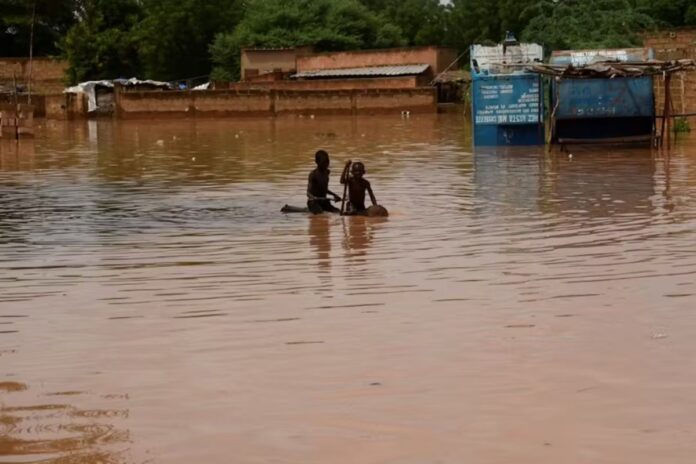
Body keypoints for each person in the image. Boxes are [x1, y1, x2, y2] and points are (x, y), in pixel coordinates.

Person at [307, 150, 341, 214]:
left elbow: (324, 189)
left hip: (324, 201)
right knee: (321, 215)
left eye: (327, 162)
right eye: (323, 163)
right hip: (314, 202)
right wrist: (314, 198)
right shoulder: (313, 175)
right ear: (316, 162)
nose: (326, 165)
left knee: (338, 212)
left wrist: (335, 195)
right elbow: (308, 193)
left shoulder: (327, 172)